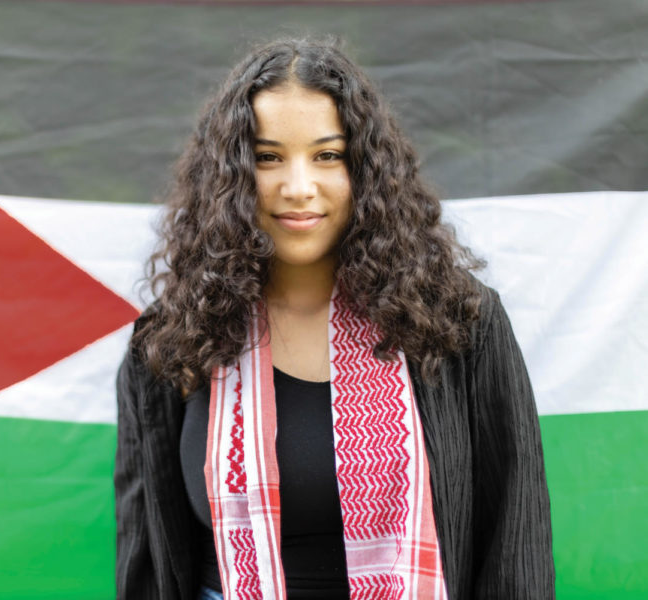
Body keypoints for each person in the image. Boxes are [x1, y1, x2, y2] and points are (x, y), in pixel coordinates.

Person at [114, 36, 554, 600]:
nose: (299, 188)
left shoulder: (458, 320)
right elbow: (146, 557)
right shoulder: (171, 339)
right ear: (226, 176)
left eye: (328, 155)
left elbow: (515, 540)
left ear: (367, 170)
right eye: (267, 157)